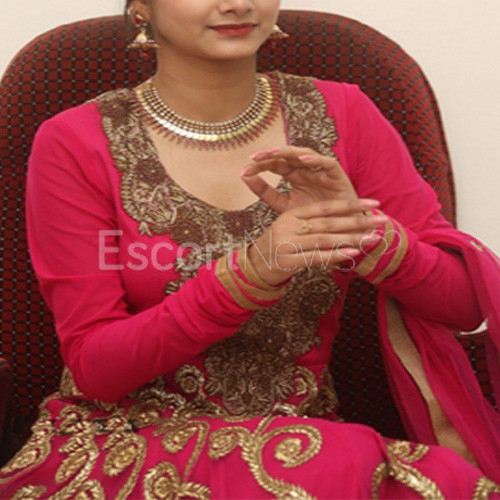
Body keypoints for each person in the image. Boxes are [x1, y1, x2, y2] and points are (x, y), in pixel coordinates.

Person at [1, 0, 500, 497]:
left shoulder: (346, 113)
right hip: (127, 443)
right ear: (141, 7)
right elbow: (95, 368)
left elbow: (463, 306)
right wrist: (249, 276)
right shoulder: (75, 141)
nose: (237, 3)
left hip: (301, 450)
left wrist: (360, 232)